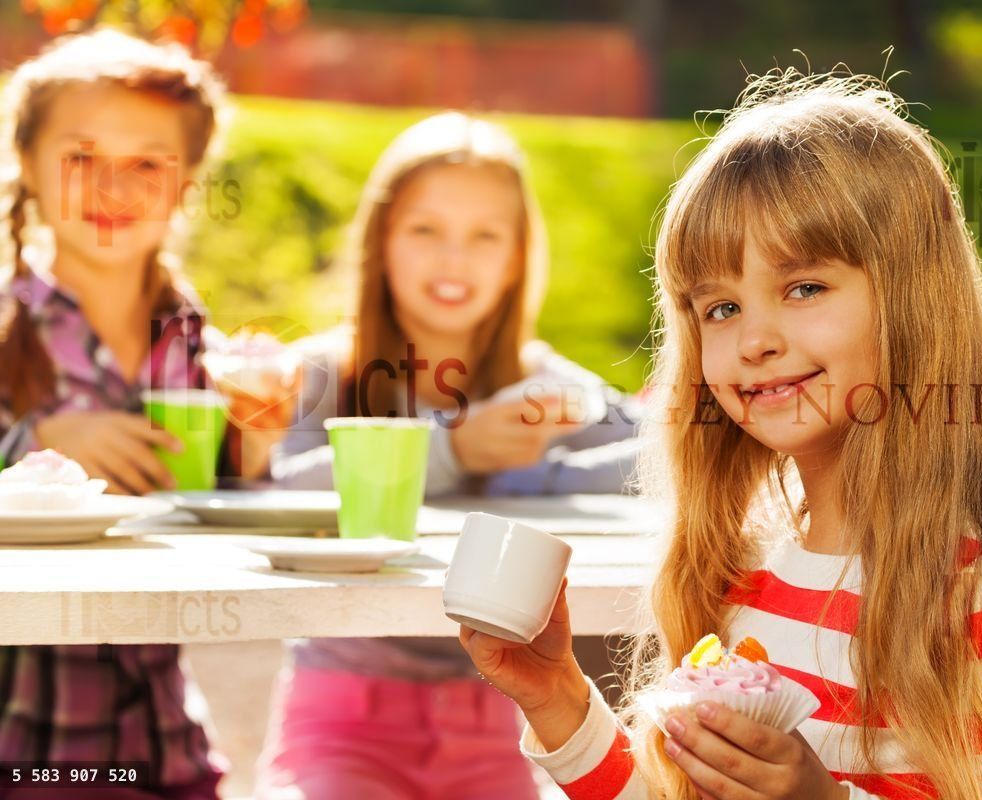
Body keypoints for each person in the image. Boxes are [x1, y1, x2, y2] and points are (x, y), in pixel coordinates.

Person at [460, 70, 982, 799]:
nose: (754, 341)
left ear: (914, 301)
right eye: (719, 307)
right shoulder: (749, 570)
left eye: (804, 288)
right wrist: (556, 696)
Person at [255, 112, 638, 800]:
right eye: (425, 230)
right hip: (341, 719)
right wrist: (456, 448)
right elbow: (279, 494)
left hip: (501, 730)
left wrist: (532, 472)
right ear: (382, 240)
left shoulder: (543, 384)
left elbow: (656, 459)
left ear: (518, 255)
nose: (453, 260)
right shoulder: (322, 372)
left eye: (484, 236)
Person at [0, 29, 231, 798]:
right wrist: (33, 445)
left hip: (169, 749)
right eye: (81, 158)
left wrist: (257, 437)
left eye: (147, 164)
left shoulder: (195, 339)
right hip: (27, 746)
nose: (114, 189)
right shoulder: (7, 331)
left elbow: (231, 505)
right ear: (27, 165)